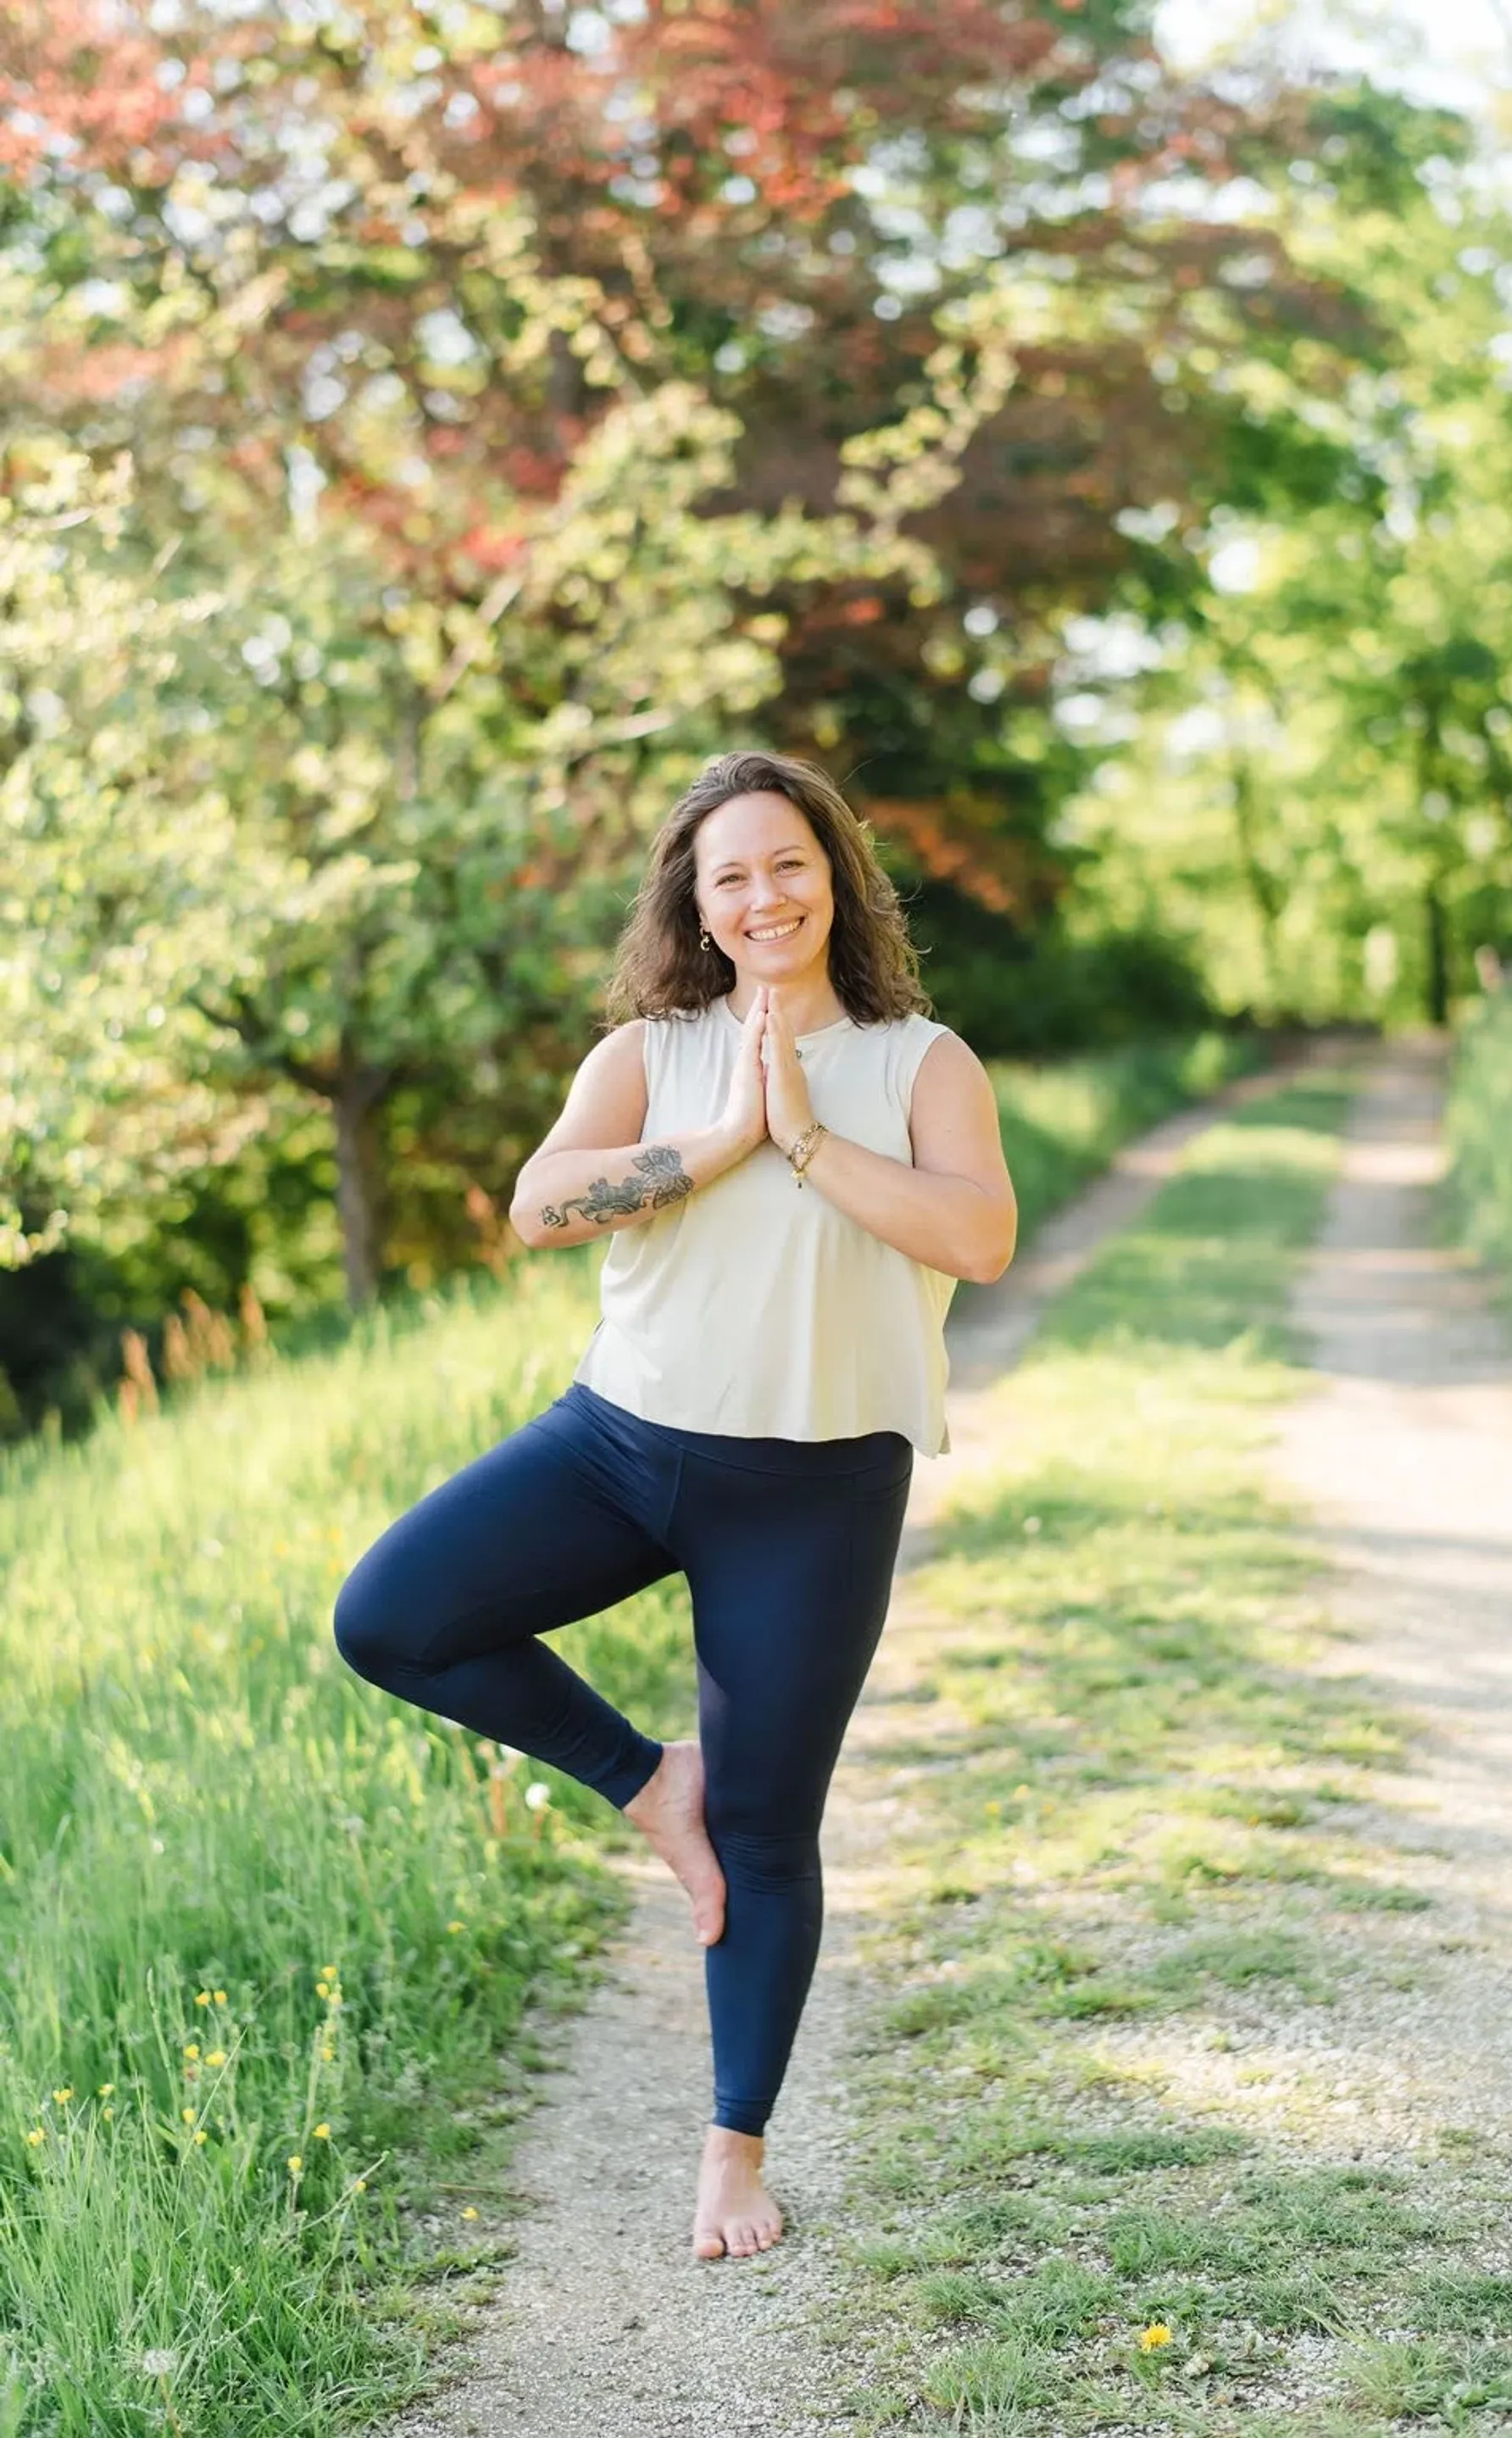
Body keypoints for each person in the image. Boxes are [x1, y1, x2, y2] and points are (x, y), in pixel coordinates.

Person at [333, 749, 1018, 2259]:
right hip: (621, 1445)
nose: (764, 894)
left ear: (833, 874)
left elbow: (978, 1241)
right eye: (730, 876)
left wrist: (815, 1138)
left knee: (771, 1830)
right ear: (697, 908)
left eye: (788, 862)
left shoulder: (922, 1063)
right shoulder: (655, 1051)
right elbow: (535, 1204)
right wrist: (728, 1137)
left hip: (820, 1490)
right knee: (390, 1614)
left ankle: (733, 2155)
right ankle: (654, 1788)